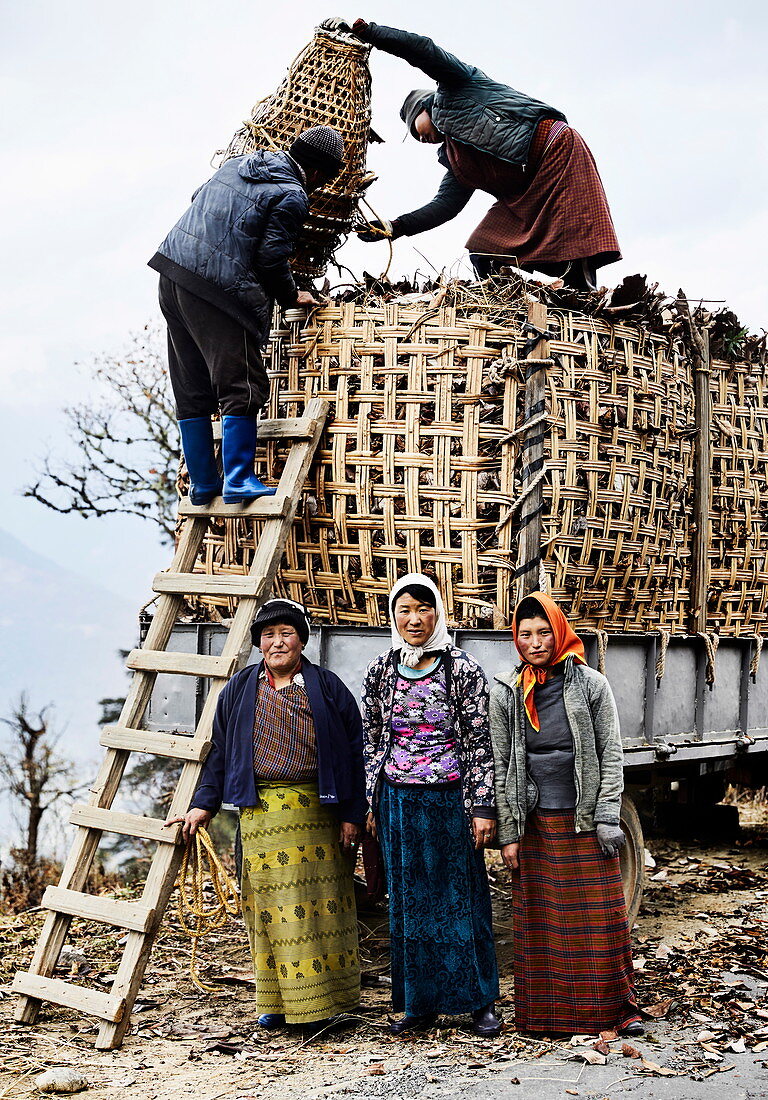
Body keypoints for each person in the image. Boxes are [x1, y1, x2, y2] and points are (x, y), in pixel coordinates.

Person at [168, 598, 366, 1031]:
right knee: (267, 911)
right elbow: (220, 752)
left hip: (318, 813)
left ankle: (325, 1005)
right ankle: (275, 1003)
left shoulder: (327, 687)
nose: (278, 642)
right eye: (269, 635)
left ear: (301, 640)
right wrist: (202, 804)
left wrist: (353, 813)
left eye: (287, 633)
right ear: (259, 643)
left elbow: (355, 752)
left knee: (320, 910)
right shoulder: (239, 690)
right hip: (260, 817)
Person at [340, 19, 619, 290]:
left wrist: (373, 34)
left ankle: (581, 293)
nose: (419, 138)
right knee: (483, 250)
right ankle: (513, 306)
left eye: (415, 128)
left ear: (424, 108)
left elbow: (423, 49)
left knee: (573, 244)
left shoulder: (459, 86)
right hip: (525, 190)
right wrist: (395, 226)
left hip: (555, 152)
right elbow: (445, 206)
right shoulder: (456, 159)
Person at [148, 126, 344, 506]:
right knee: (242, 386)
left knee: (192, 386)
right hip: (218, 289)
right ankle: (238, 479)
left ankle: (204, 483)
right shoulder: (292, 194)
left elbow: (198, 197)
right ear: (320, 172)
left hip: (172, 275)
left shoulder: (239, 165)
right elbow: (270, 260)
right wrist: (293, 294)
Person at [489, 591, 643, 1036]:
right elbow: (503, 763)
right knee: (543, 921)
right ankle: (546, 1017)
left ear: (558, 632)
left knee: (600, 920)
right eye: (525, 634)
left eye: (543, 632)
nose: (535, 642)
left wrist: (608, 816)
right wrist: (509, 832)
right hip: (536, 823)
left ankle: (615, 1012)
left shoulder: (590, 683)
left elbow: (610, 752)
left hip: (584, 818)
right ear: (515, 639)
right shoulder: (506, 690)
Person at [360, 573, 501, 1037]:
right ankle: (418, 1005)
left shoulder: (460, 668)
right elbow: (373, 738)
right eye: (404, 609)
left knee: (460, 898)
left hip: (450, 802)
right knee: (409, 901)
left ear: (438, 613)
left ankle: (480, 1002)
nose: (413, 618)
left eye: (423, 608)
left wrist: (482, 807)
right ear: (392, 615)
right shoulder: (381, 668)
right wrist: (371, 802)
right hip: (399, 801)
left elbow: (479, 743)